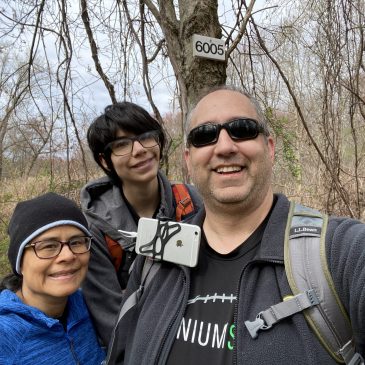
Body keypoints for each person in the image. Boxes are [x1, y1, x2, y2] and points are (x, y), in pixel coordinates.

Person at [105, 85, 365, 364]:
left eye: (243, 129)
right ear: (188, 160)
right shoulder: (154, 256)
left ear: (270, 148)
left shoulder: (341, 250)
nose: (225, 146)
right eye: (204, 136)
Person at [80, 101, 202, 346]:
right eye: (122, 144)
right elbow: (112, 322)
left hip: (195, 329)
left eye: (146, 137)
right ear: (105, 161)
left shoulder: (189, 201)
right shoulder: (96, 229)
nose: (139, 150)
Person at [0, 192, 105, 365]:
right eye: (49, 246)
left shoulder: (90, 306)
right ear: (20, 263)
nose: (68, 255)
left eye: (77, 242)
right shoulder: (6, 336)